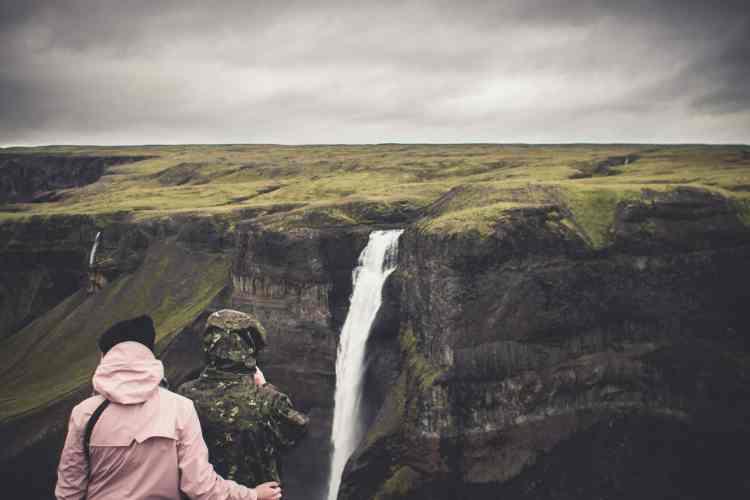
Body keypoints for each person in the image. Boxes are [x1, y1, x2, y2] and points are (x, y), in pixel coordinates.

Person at [55, 315, 282, 500]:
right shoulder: (179, 408)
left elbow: (69, 492)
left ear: (106, 358)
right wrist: (252, 495)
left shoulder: (85, 413)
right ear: (149, 356)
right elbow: (200, 487)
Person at [179, 309, 308, 488]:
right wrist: (264, 386)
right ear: (250, 349)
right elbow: (298, 429)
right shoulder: (268, 401)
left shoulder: (184, 395)